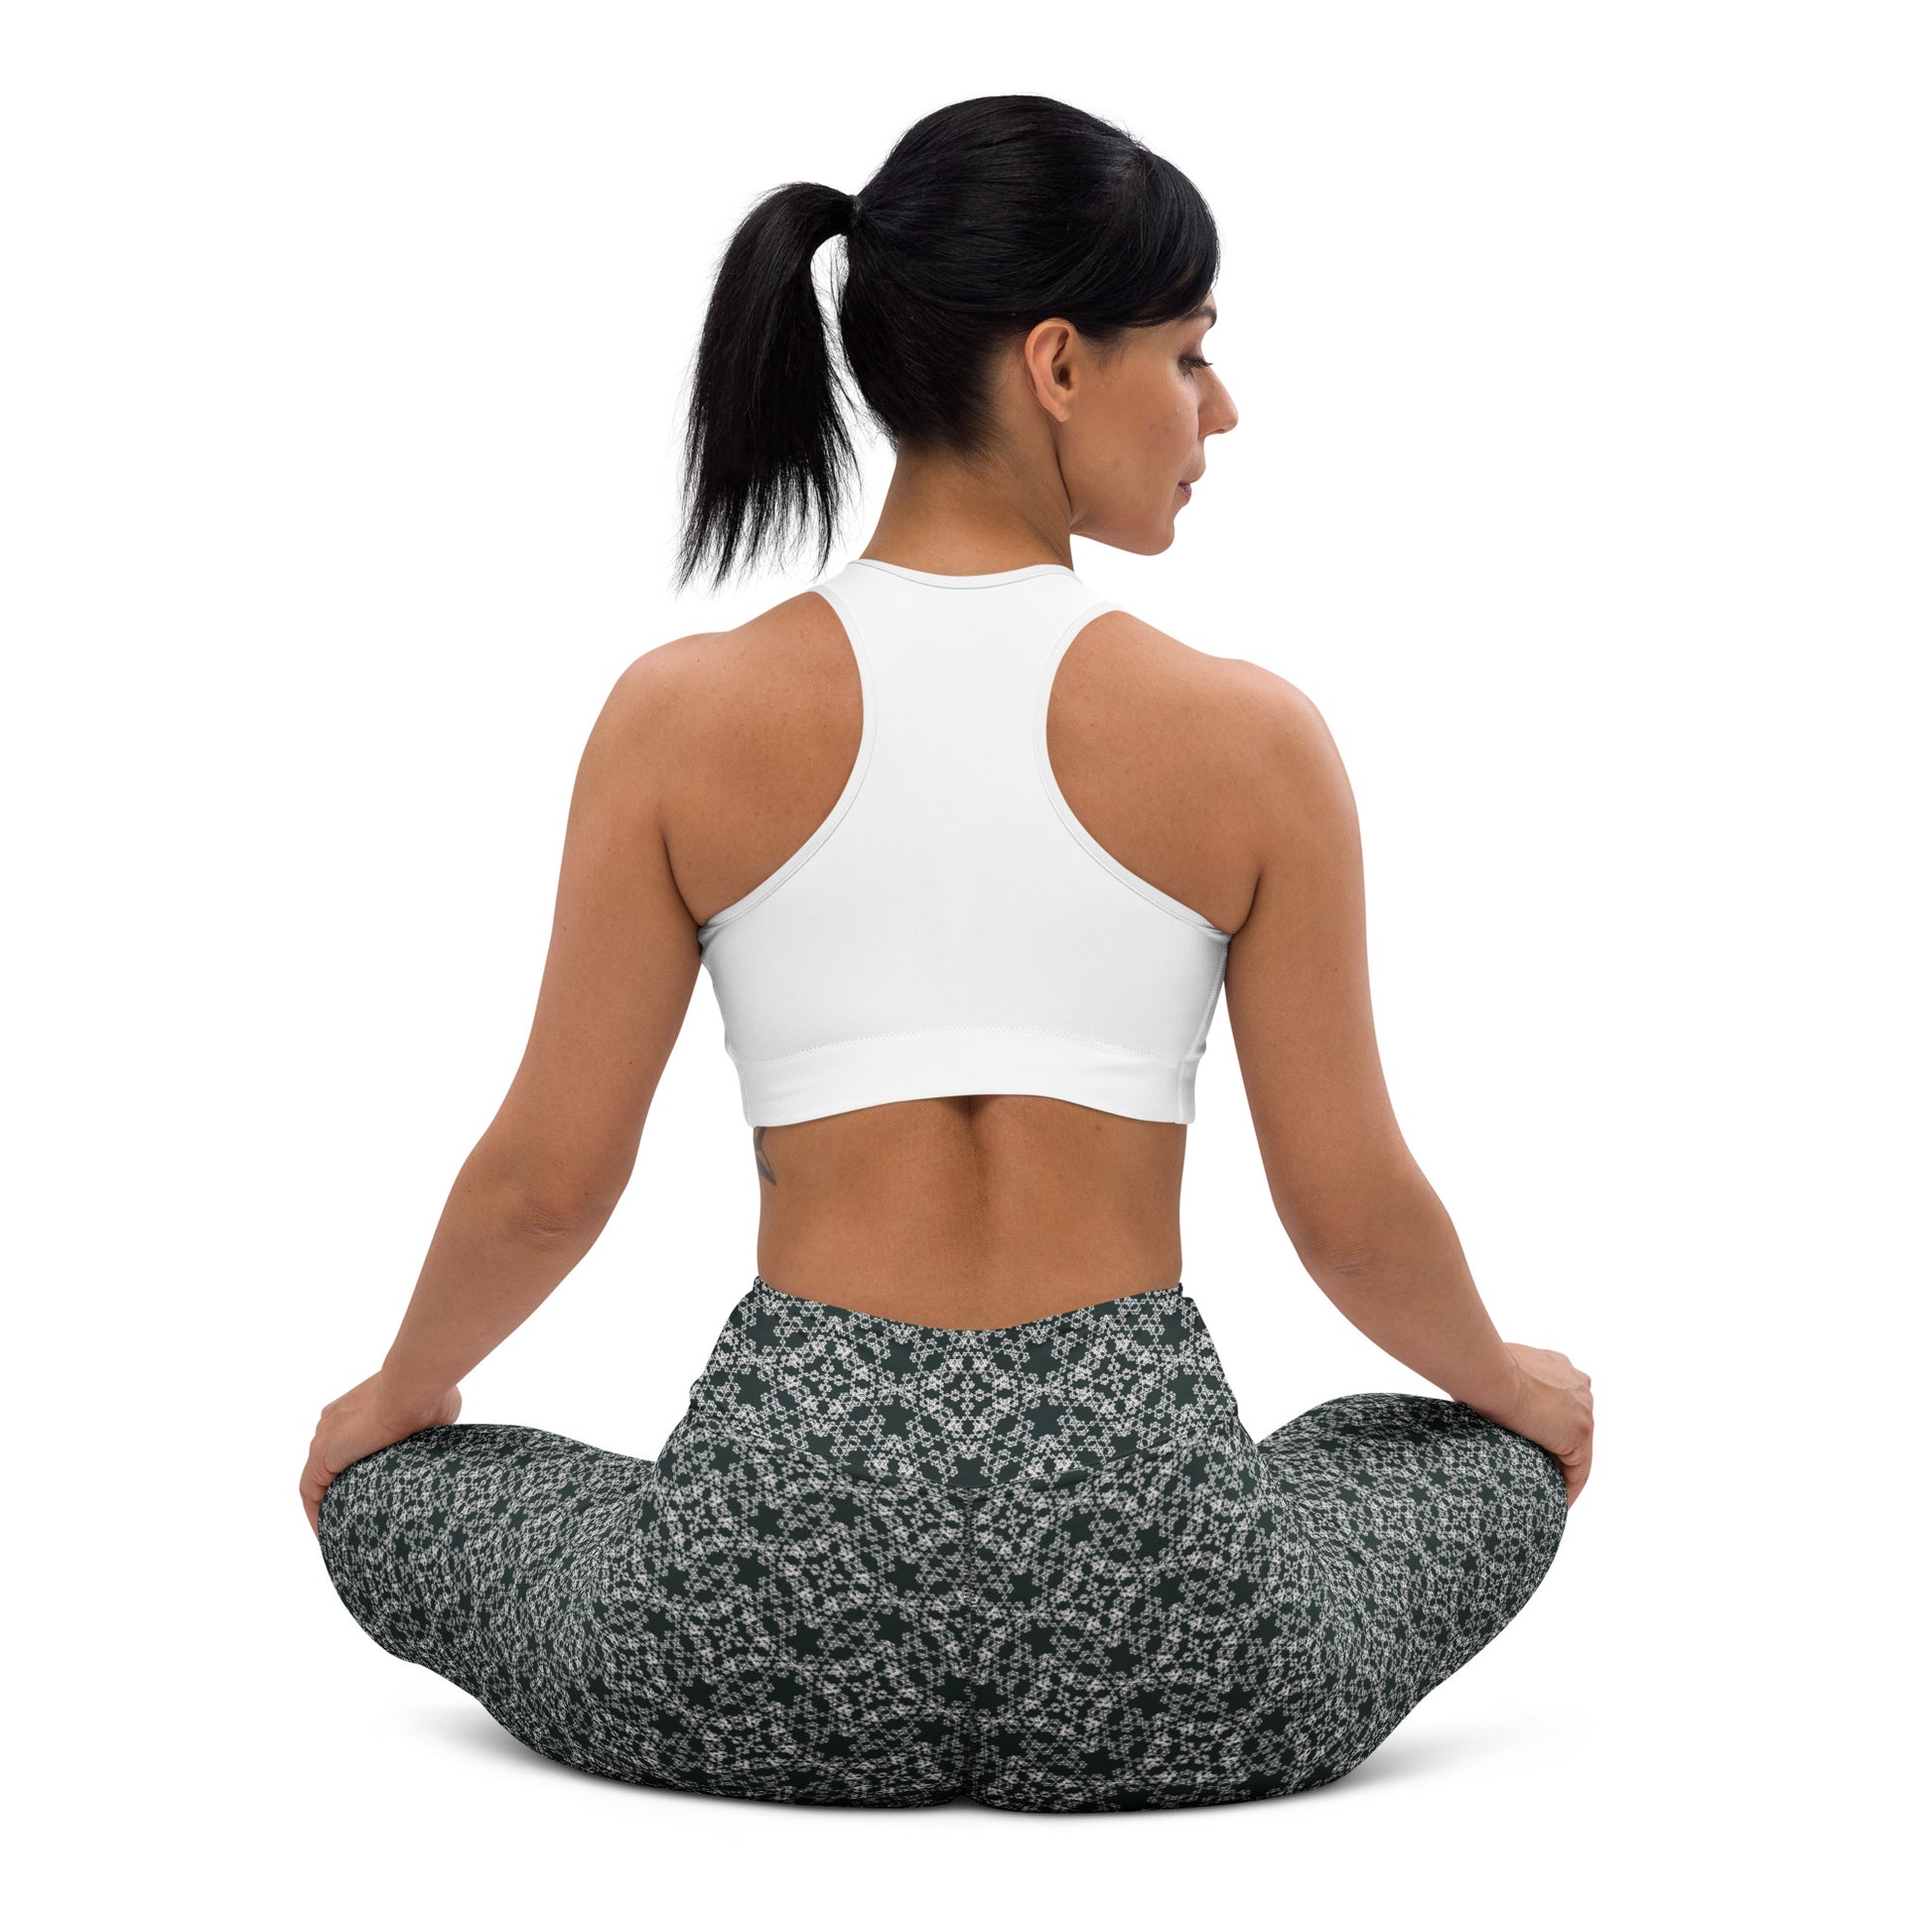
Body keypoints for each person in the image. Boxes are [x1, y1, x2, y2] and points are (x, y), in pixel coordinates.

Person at [304, 93, 1591, 1812]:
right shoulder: (1249, 738)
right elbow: (1351, 1217)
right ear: (1058, 363)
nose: (1220, 409)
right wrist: (1517, 1390)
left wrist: (397, 1396)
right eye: (1190, 355)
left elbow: (545, 1182)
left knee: (400, 1483)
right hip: (1171, 1622)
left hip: (756, 1609)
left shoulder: (679, 719)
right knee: (1470, 1446)